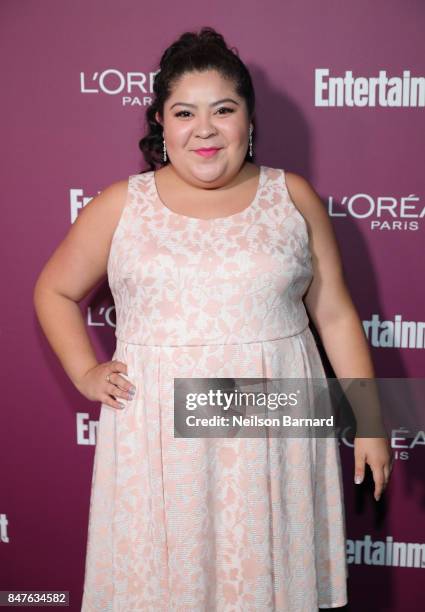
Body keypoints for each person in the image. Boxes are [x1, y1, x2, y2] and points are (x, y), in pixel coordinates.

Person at [33, 26, 393, 611]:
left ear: (248, 120)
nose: (204, 128)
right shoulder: (121, 204)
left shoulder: (292, 197)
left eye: (223, 109)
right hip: (159, 439)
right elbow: (53, 289)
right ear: (160, 122)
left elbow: (334, 313)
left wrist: (373, 422)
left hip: (273, 432)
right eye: (184, 112)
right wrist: (84, 372)